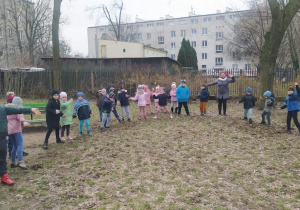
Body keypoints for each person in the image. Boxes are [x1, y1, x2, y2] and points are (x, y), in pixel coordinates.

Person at [0, 101, 40, 185]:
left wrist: (31, 109)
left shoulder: (3, 109)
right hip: (11, 132)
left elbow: (17, 109)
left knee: (2, 157)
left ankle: (4, 177)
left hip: (2, 137)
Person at [7, 97, 30, 170]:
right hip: (17, 130)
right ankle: (21, 162)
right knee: (20, 145)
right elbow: (20, 117)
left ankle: (13, 162)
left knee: (15, 146)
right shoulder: (18, 109)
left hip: (10, 131)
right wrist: (24, 122)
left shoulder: (9, 110)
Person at [6, 92, 29, 157]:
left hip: (13, 127)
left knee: (15, 141)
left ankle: (17, 153)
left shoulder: (10, 108)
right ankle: (16, 155)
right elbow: (20, 116)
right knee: (14, 141)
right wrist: (24, 122)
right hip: (14, 128)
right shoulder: (12, 108)